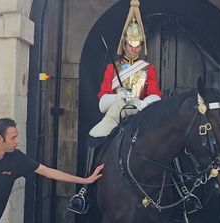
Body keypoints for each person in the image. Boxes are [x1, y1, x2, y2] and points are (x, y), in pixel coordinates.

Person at [67, 0, 161, 214]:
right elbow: (102, 95)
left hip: (140, 113)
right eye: (131, 45)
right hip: (115, 112)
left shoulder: (148, 69)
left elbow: (155, 93)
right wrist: (119, 94)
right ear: (124, 44)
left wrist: (141, 102)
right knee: (94, 136)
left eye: (138, 45)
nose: (134, 49)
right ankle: (84, 192)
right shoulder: (112, 67)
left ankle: (183, 191)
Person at [0, 118, 104, 223]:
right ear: (0, 138)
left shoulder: (16, 159)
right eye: (13, 138)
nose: (17, 141)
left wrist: (85, 180)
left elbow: (47, 171)